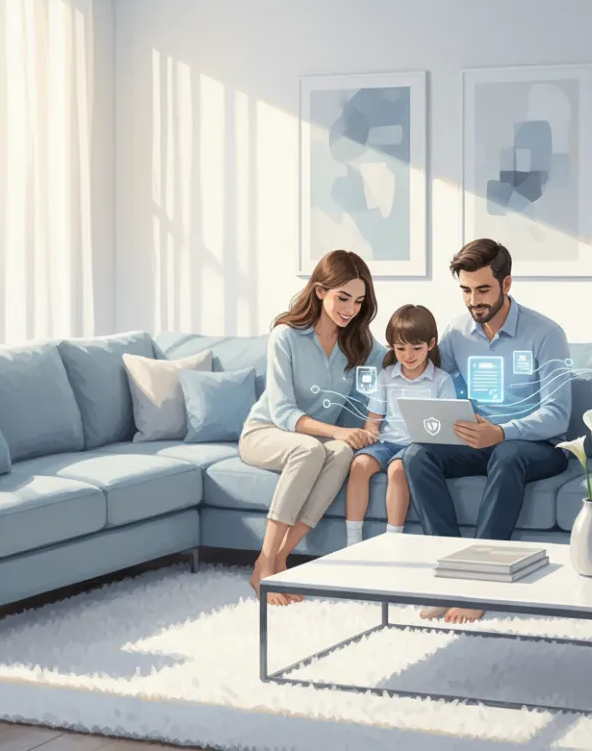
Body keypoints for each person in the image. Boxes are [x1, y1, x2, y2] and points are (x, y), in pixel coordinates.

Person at [403, 238, 572, 624]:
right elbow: (428, 376)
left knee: (508, 453)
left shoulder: (546, 334)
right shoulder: (458, 332)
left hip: (537, 446)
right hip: (480, 441)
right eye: (465, 290)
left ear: (506, 284)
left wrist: (502, 431)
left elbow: (558, 415)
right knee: (418, 455)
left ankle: (480, 584)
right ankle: (451, 580)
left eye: (483, 289)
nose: (473, 300)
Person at [241, 250, 383, 606]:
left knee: (341, 452)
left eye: (359, 301)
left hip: (318, 440)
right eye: (343, 298)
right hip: (266, 432)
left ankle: (280, 558)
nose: (350, 309)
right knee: (312, 447)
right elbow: (283, 411)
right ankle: (264, 562)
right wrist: (337, 431)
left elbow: (399, 357)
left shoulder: (359, 344)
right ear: (320, 291)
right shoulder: (286, 337)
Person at [344, 304, 456, 545]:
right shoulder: (385, 377)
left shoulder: (441, 381)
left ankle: (392, 539)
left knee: (398, 470)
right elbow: (373, 420)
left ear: (431, 344)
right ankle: (352, 538)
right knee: (359, 464)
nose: (408, 355)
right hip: (386, 443)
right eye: (400, 348)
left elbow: (448, 424)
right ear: (392, 347)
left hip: (416, 448)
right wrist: (370, 432)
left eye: (416, 348)